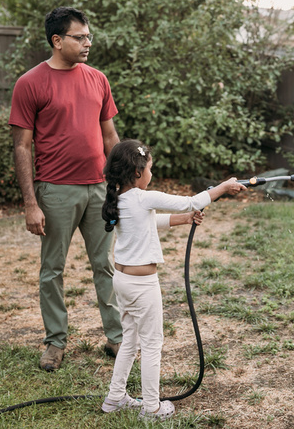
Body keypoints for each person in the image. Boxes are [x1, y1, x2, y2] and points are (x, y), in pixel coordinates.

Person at [9, 6, 122, 372]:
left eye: (89, 35)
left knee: (105, 266)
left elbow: (109, 135)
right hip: (55, 191)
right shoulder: (30, 83)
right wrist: (31, 202)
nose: (88, 42)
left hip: (98, 191)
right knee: (52, 269)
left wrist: (120, 183)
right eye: (80, 37)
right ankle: (55, 343)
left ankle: (116, 339)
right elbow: (22, 146)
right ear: (57, 41)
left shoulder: (98, 79)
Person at [99, 139, 246, 420]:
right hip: (143, 286)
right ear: (138, 172)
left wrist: (184, 220)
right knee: (152, 343)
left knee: (130, 339)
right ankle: (151, 408)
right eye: (150, 168)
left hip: (122, 281)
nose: (152, 174)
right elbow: (191, 200)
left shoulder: (121, 199)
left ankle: (115, 398)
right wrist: (223, 187)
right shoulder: (144, 197)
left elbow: (148, 222)